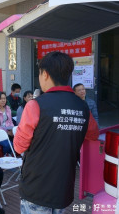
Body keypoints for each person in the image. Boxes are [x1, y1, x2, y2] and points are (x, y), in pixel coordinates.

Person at [13, 52, 99, 214]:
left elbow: (19, 146)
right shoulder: (82, 107)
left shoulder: (35, 105)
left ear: (45, 74)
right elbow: (93, 135)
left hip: (36, 188)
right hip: (63, 187)